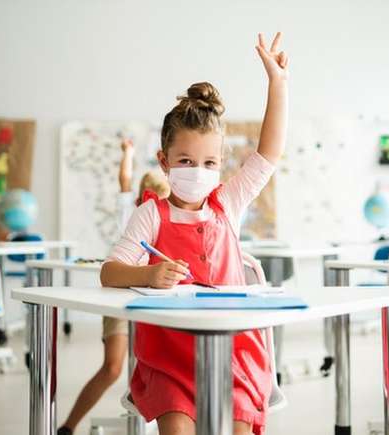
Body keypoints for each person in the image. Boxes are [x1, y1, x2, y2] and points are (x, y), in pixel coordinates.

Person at [100, 33, 288, 435]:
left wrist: (278, 83)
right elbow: (110, 272)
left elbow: (269, 153)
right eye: (186, 160)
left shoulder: (228, 203)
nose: (197, 170)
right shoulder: (151, 213)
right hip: (169, 358)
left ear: (221, 164)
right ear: (164, 162)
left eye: (209, 162)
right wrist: (147, 275)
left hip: (235, 352)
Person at [57, 139, 169, 435]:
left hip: (153, 300)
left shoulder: (170, 218)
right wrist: (128, 154)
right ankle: (68, 426)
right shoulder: (131, 212)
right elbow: (124, 180)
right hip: (120, 299)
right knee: (113, 368)